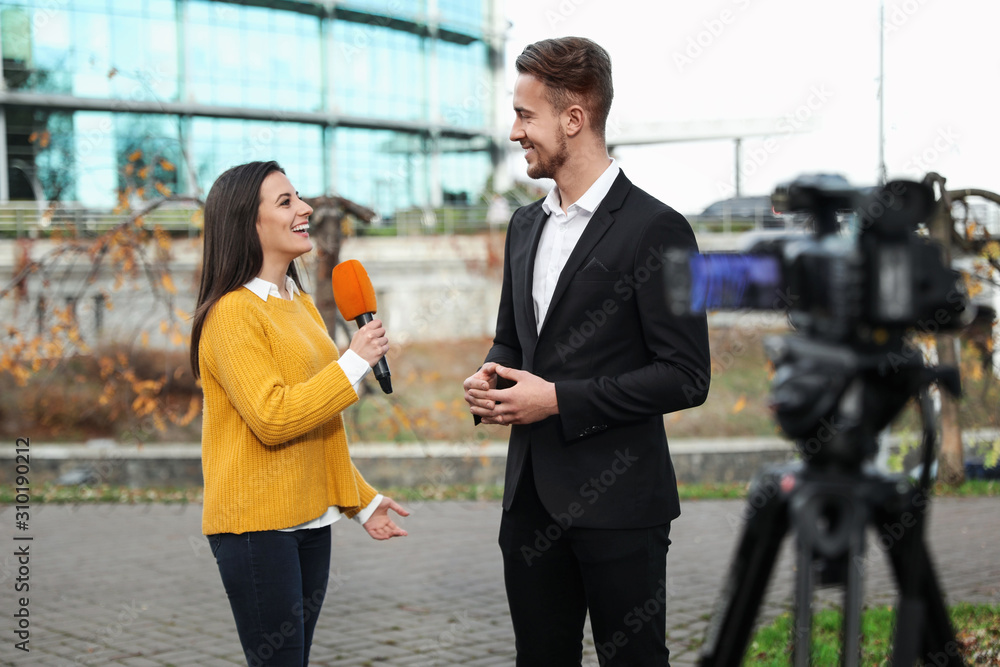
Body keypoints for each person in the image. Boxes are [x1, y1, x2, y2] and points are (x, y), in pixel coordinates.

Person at [463, 37, 711, 666]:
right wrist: (489, 379)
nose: (514, 130)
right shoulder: (524, 225)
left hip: (622, 507)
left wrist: (557, 401)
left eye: (525, 115)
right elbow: (514, 339)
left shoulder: (661, 229)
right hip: (528, 507)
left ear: (573, 120)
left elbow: (687, 376)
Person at [190, 160, 409, 666]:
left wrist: (362, 501)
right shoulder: (231, 314)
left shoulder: (300, 303)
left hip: (312, 523)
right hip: (255, 528)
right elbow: (273, 418)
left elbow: (321, 425)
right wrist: (354, 361)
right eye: (285, 201)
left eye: (299, 197)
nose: (305, 208)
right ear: (250, 222)